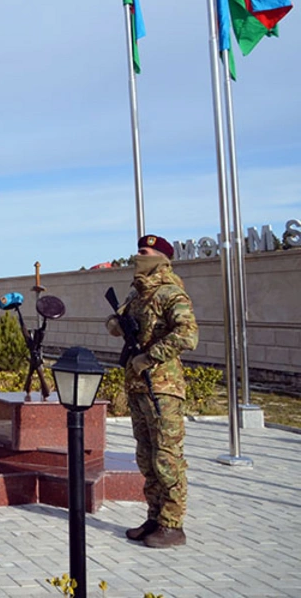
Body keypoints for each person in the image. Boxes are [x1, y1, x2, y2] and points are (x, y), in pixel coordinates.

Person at [107, 234, 198, 548]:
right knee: (146, 458)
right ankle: (155, 518)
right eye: (138, 251)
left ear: (160, 258)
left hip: (162, 387)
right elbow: (116, 319)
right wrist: (116, 324)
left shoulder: (171, 292)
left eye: (144, 252)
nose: (138, 257)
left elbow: (187, 335)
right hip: (138, 385)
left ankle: (173, 525)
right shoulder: (137, 293)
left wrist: (149, 357)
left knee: (167, 458)